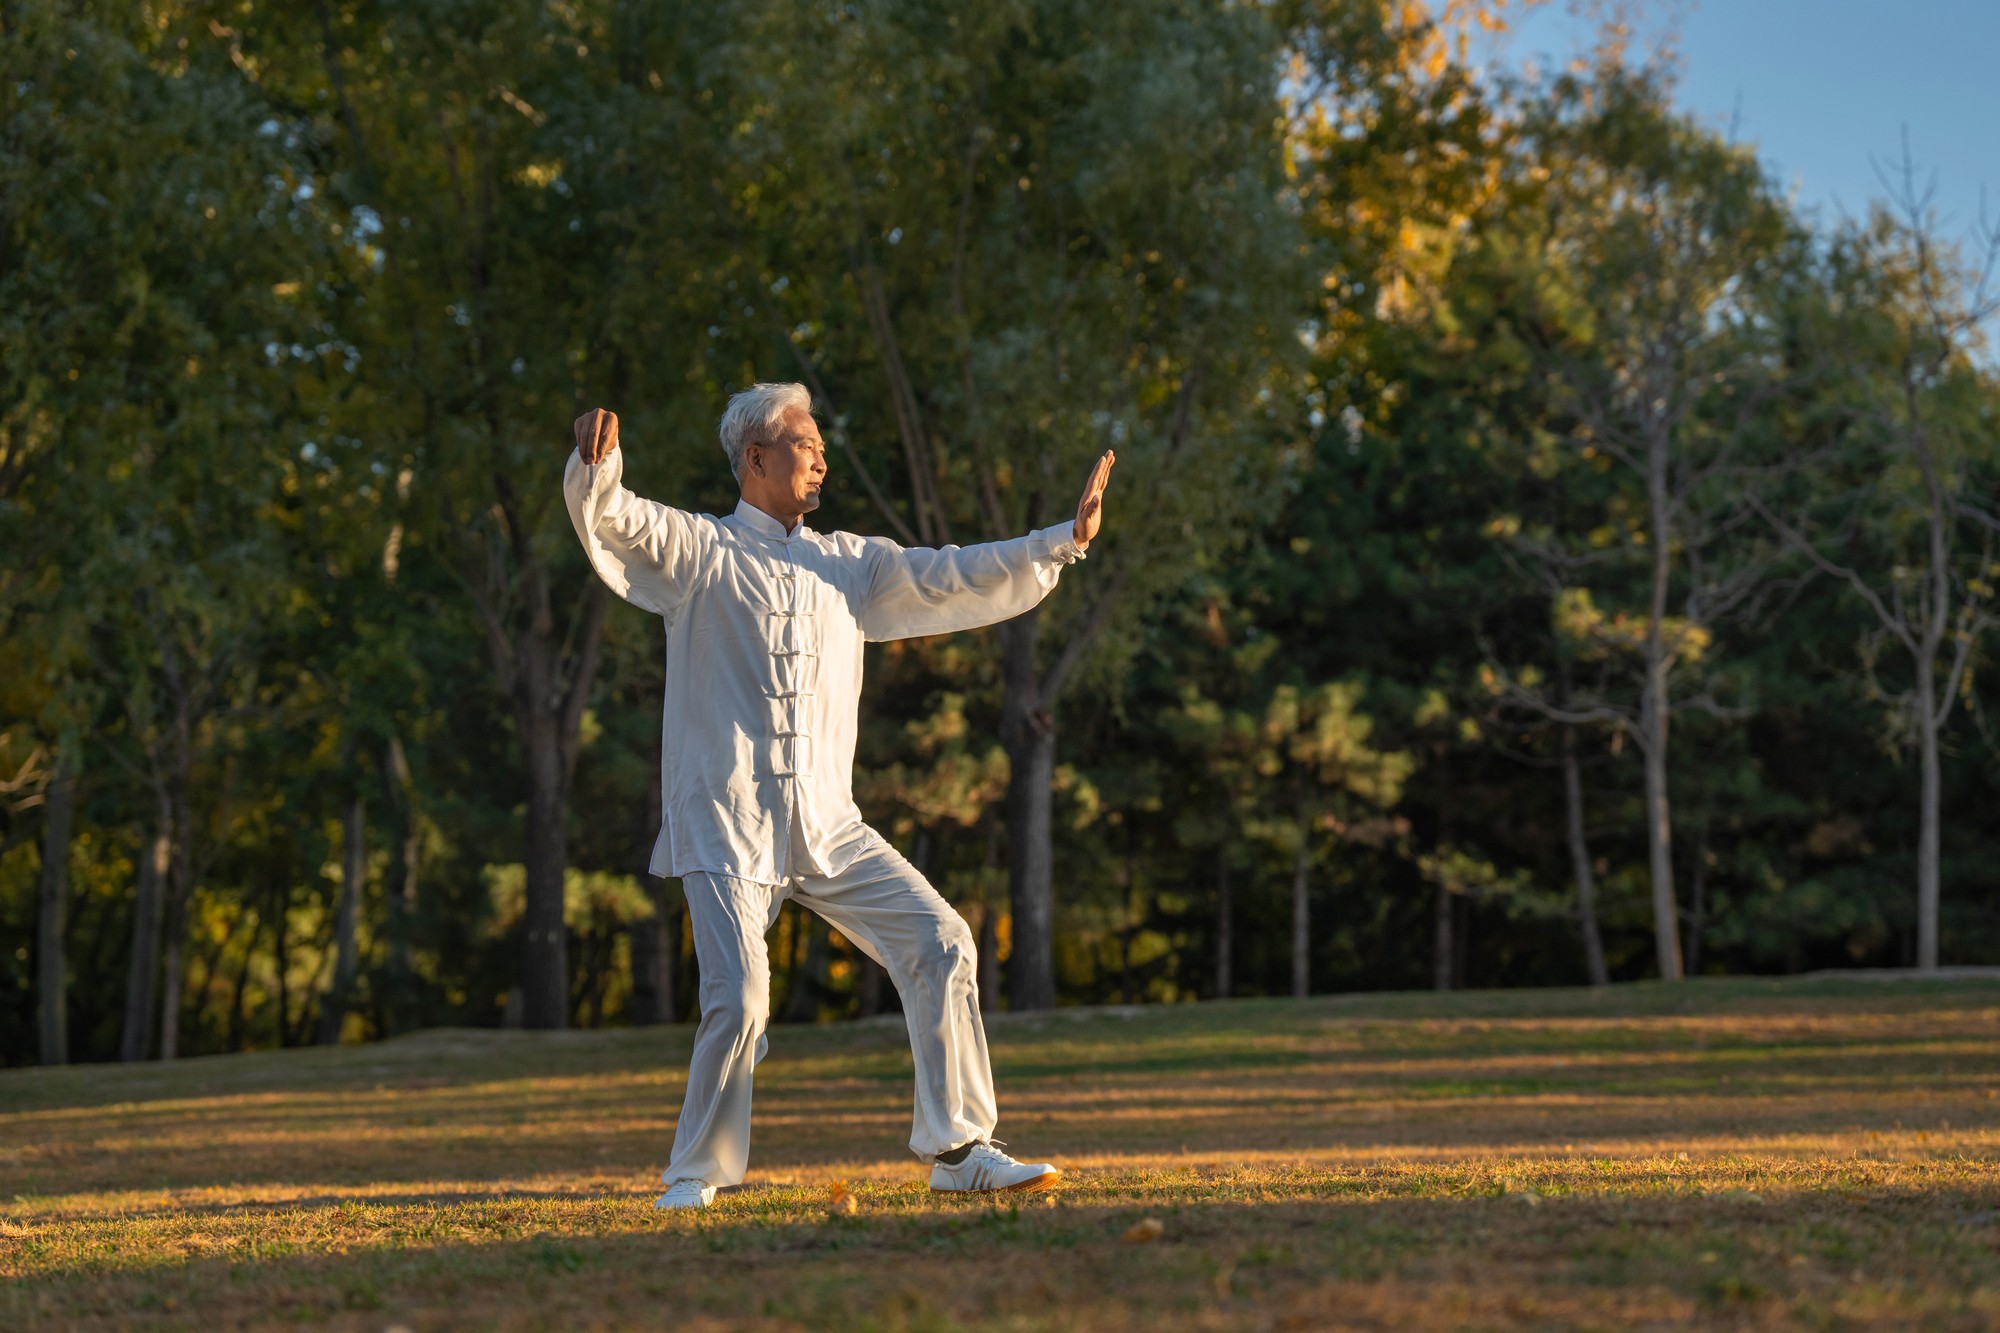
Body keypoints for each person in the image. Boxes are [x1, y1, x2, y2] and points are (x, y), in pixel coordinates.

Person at [563, 382, 1115, 1210]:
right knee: (740, 999)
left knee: (942, 941)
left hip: (829, 826)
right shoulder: (700, 551)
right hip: (727, 824)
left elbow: (947, 574)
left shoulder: (851, 564)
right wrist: (596, 464)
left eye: (822, 448)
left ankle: (960, 1148)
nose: (822, 459)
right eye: (806, 445)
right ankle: (696, 1173)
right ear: (755, 458)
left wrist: (1058, 542)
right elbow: (617, 519)